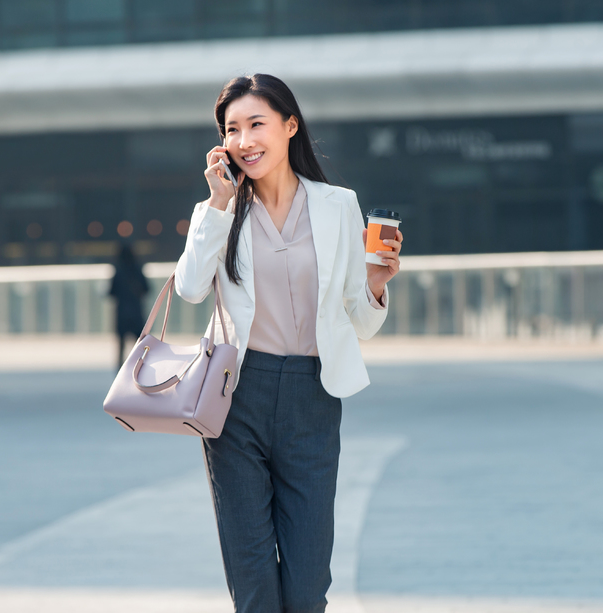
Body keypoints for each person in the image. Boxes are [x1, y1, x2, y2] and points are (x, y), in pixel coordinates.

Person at [175, 74, 402, 613]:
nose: (245, 139)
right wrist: (217, 205)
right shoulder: (222, 210)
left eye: (257, 124)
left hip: (311, 396)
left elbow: (359, 323)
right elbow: (187, 290)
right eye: (233, 129)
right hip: (236, 397)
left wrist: (374, 286)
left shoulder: (337, 205)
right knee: (254, 584)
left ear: (290, 126)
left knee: (306, 586)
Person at [109, 244, 149, 368]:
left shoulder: (118, 271)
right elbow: (147, 289)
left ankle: (120, 372)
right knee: (140, 346)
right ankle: (140, 368)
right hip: (136, 313)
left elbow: (112, 292)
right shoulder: (138, 270)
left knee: (121, 346)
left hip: (122, 314)